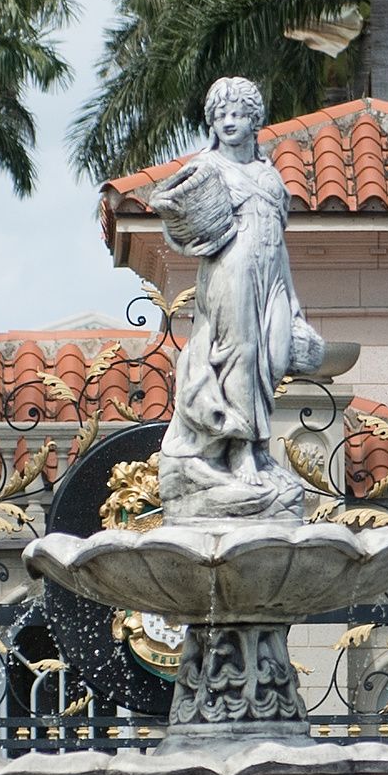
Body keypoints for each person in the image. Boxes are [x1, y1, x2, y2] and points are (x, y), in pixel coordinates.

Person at [147, 75, 327, 519]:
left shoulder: (269, 175)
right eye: (219, 115)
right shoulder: (209, 169)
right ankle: (243, 450)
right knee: (241, 353)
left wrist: (294, 300)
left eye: (236, 113)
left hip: (271, 274)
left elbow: (279, 243)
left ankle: (255, 448)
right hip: (230, 272)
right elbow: (176, 222)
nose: (228, 121)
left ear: (254, 119)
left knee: (275, 354)